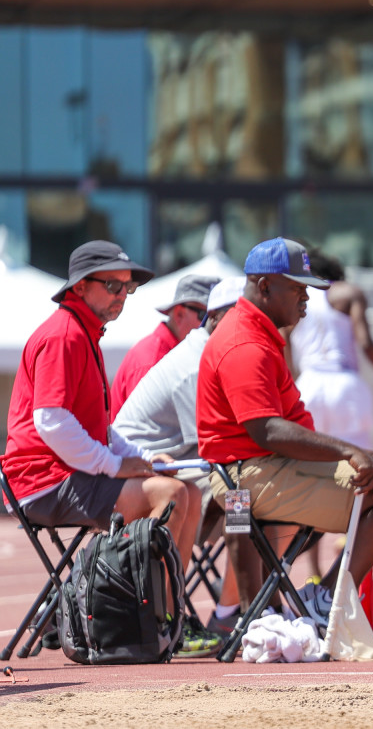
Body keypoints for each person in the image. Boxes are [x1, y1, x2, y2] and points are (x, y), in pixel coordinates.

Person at [1, 240, 219, 656]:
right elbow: (52, 421)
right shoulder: (65, 334)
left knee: (186, 490)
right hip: (43, 482)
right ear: (80, 287)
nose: (123, 295)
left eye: (127, 288)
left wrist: (146, 459)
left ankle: (170, 619)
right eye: (113, 286)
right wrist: (114, 464)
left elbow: (97, 426)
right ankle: (152, 621)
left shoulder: (84, 333)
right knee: (172, 494)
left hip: (61, 474)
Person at [196, 237, 373, 622]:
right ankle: (325, 599)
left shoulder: (257, 333)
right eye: (298, 289)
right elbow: (268, 431)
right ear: (265, 286)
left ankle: (259, 608)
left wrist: (349, 450)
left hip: (252, 472)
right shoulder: (244, 342)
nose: (307, 299)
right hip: (248, 475)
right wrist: (348, 451)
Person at [111, 275, 246, 633]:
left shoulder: (209, 352)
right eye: (245, 320)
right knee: (244, 497)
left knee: (244, 494)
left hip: (170, 464)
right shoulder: (196, 364)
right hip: (139, 471)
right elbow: (214, 444)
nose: (252, 330)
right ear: (215, 318)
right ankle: (220, 612)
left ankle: (229, 606)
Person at [290, 248, 373, 452]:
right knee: (358, 459)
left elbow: (283, 346)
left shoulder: (294, 300)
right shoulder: (347, 292)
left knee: (313, 462)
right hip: (343, 383)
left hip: (307, 385)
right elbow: (366, 343)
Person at [110, 274, 220, 418]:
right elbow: (144, 431)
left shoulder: (178, 353)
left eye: (219, 317)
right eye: (205, 316)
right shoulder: (153, 360)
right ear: (179, 314)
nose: (214, 324)